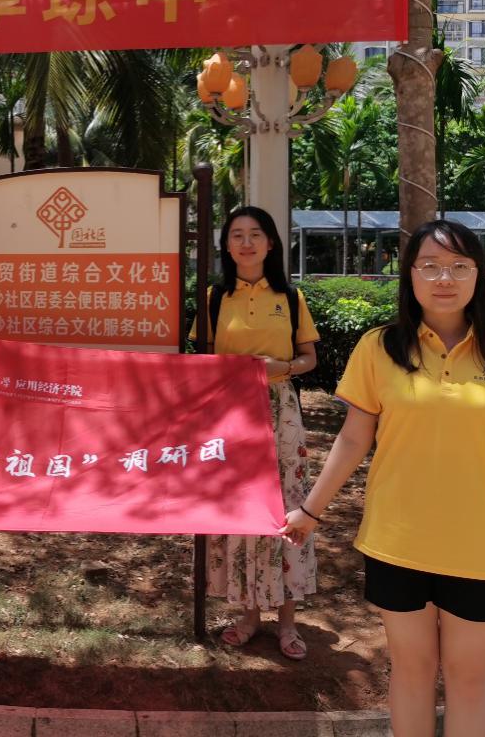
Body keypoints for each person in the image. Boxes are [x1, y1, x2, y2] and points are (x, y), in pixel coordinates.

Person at [281, 220, 485, 737]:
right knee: (411, 671)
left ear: (478, 276)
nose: (444, 278)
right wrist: (311, 511)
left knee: (469, 680)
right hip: (397, 542)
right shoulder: (379, 348)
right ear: (410, 275)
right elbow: (353, 439)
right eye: (430, 266)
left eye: (459, 266)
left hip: (481, 548)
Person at [196, 207, 320, 659]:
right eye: (236, 235)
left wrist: (280, 368)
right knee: (240, 505)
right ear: (226, 245)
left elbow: (310, 359)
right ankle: (248, 615)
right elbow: (202, 359)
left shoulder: (290, 297)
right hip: (230, 412)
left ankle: (288, 621)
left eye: (255, 234)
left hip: (281, 410)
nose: (246, 243)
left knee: (287, 506)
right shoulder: (214, 298)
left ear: (271, 243)